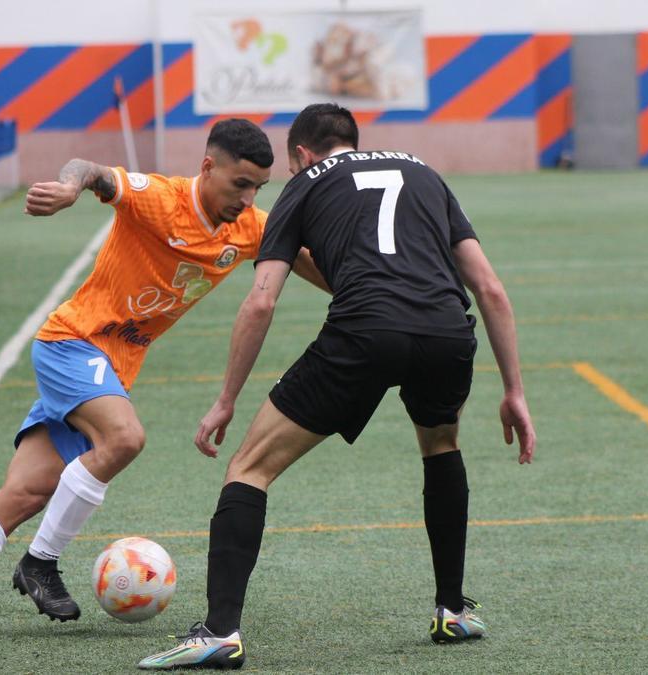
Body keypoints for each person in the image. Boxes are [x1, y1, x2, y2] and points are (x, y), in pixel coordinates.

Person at [0, 119, 328, 642]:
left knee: (26, 492)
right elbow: (90, 170)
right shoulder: (160, 198)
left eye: (258, 189)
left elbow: (300, 258)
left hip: (108, 369)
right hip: (72, 343)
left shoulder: (246, 227)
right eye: (240, 184)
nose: (247, 199)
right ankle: (40, 562)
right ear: (208, 167)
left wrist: (361, 286)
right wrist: (70, 188)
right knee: (124, 438)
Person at [138, 103, 536, 670]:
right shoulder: (424, 172)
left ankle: (220, 632)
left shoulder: (303, 185)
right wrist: (514, 390)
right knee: (441, 445)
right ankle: (452, 609)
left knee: (249, 468)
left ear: (302, 154)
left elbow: (261, 301)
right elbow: (490, 289)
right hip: (447, 331)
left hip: (364, 332)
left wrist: (226, 400)